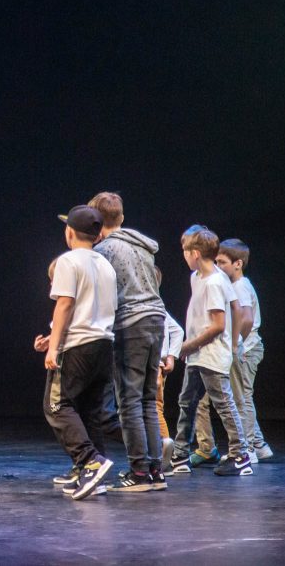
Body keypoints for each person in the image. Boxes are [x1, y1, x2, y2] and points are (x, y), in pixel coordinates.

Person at [34, 205, 117, 500]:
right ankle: (93, 476)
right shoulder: (105, 264)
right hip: (103, 344)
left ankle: (90, 461)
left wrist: (54, 346)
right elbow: (89, 308)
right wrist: (52, 337)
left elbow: (66, 304)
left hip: (78, 345)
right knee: (90, 411)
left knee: (56, 406)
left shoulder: (68, 261)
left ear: (70, 231)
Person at [87, 192, 168, 492]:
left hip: (131, 322)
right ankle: (155, 470)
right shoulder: (143, 246)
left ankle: (139, 472)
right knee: (147, 398)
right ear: (121, 217)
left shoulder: (104, 250)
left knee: (130, 401)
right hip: (156, 318)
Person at [169, 225, 253, 477]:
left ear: (195, 253)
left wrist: (190, 345)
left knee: (224, 404)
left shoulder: (215, 282)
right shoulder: (198, 277)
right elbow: (235, 307)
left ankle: (241, 455)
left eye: (185, 251)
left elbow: (218, 325)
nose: (184, 255)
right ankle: (180, 454)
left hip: (211, 355)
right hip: (198, 355)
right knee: (187, 402)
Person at [193, 239, 274, 463]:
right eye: (216, 262)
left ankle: (248, 448)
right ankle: (259, 445)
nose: (218, 266)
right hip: (242, 349)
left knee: (241, 399)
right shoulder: (232, 284)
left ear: (238, 264)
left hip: (246, 350)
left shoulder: (240, 286)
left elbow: (246, 319)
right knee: (239, 398)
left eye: (222, 262)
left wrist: (235, 344)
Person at [152, 266, 184, 477]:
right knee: (155, 407)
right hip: (160, 364)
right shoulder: (159, 306)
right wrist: (171, 356)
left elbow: (177, 331)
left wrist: (170, 356)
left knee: (151, 408)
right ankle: (161, 452)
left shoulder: (148, 307)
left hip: (152, 364)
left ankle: (163, 444)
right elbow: (177, 330)